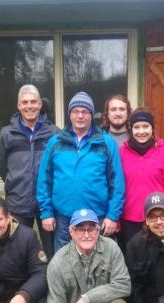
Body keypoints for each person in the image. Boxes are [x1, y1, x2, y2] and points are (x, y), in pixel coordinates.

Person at [37, 91, 125, 252]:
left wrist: (113, 216)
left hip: (96, 218)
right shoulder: (55, 142)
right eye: (76, 111)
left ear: (91, 115)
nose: (80, 116)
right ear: (69, 115)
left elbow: (117, 183)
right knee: (65, 264)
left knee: (98, 264)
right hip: (64, 219)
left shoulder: (106, 143)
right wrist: (46, 212)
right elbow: (44, 180)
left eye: (85, 111)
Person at [0, 84, 58, 260]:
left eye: (33, 102)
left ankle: (50, 285)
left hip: (48, 202)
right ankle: (22, 286)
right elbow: (2, 167)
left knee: (51, 250)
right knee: (17, 249)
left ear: (40, 104)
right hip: (18, 201)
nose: (29, 106)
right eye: (25, 102)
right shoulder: (7, 134)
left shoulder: (53, 132)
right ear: (18, 106)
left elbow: (58, 166)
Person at [118, 107, 164, 251]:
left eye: (146, 126)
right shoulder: (121, 152)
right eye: (136, 127)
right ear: (130, 129)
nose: (141, 131)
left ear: (152, 128)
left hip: (158, 217)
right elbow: (116, 186)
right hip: (130, 220)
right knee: (133, 260)